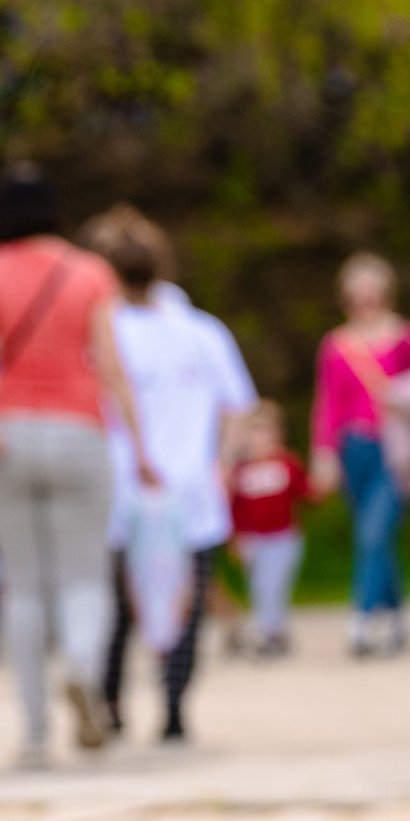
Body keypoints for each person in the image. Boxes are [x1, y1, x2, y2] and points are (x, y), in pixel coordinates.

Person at [0, 164, 153, 767]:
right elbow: (110, 367)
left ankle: (32, 733)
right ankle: (82, 666)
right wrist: (142, 448)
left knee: (23, 586)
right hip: (79, 431)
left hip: (8, 434)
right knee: (84, 576)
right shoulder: (89, 271)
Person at [89, 207, 253, 745]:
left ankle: (110, 701)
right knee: (188, 602)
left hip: (119, 492)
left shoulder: (98, 333)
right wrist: (222, 465)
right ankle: (174, 709)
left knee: (118, 605)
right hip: (191, 493)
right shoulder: (200, 330)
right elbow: (238, 405)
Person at [312, 253, 410, 659]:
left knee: (374, 533)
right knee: (375, 536)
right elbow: (328, 404)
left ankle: (363, 621)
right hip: (354, 449)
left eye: (373, 293)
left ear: (386, 293)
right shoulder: (336, 344)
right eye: (357, 294)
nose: (366, 301)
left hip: (395, 448)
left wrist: (401, 398)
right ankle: (397, 617)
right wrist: (324, 454)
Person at [227, 402, 306, 659]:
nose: (259, 439)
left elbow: (305, 492)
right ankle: (273, 631)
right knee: (259, 586)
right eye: (254, 432)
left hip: (284, 537)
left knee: (274, 585)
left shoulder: (287, 464)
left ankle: (269, 633)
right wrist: (235, 537)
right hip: (253, 539)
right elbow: (235, 508)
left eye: (265, 432)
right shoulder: (240, 470)